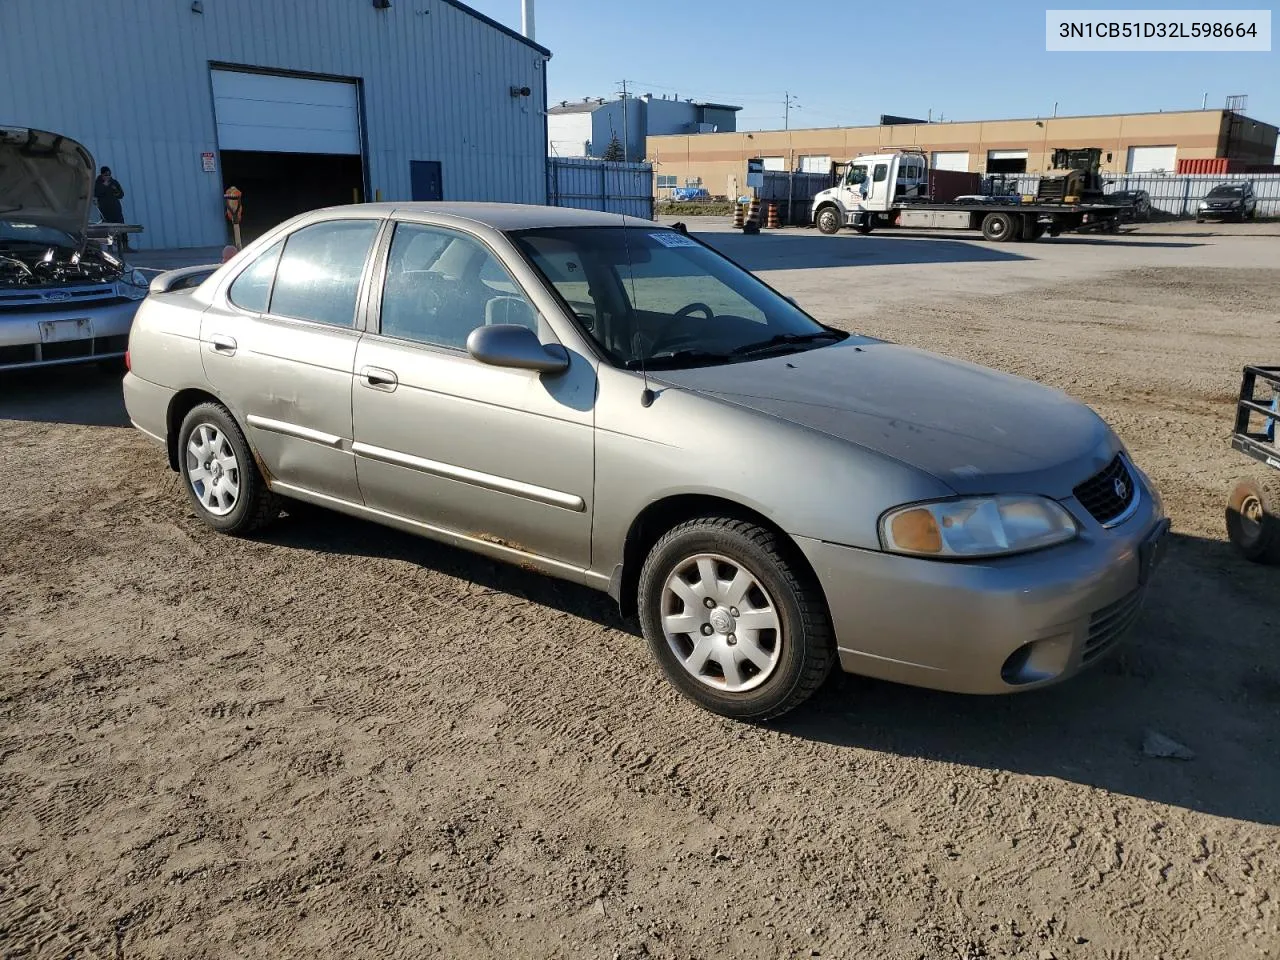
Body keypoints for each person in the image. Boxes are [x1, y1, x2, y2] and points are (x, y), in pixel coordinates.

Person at [93, 166, 128, 250]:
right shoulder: (97, 183)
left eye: (109, 174)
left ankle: (125, 246)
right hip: (104, 209)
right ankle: (110, 247)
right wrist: (104, 186)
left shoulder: (114, 182)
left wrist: (116, 191)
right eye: (106, 175)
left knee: (121, 226)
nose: (108, 176)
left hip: (115, 208)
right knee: (108, 228)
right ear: (102, 175)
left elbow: (121, 195)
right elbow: (96, 193)